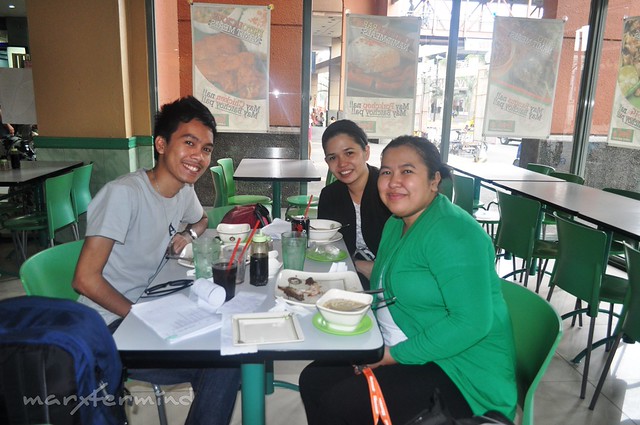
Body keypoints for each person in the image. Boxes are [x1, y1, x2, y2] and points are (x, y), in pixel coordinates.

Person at [300, 136, 517, 425]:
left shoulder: (455, 233)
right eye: (387, 172)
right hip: (403, 343)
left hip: (460, 371)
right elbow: (387, 278)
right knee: (313, 379)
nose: (393, 182)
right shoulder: (396, 223)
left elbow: (471, 324)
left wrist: (390, 355)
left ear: (434, 180)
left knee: (340, 403)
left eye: (407, 171)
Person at [73, 96, 240, 425]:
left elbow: (201, 220)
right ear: (161, 144)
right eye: (189, 143)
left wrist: (187, 235)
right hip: (108, 326)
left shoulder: (182, 189)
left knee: (227, 353)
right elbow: (84, 279)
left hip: (149, 304)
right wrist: (138, 316)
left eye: (206, 148)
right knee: (223, 363)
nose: (199, 156)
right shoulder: (124, 194)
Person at [317, 119, 391, 289]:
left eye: (349, 153)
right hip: (347, 274)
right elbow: (326, 246)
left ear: (366, 152)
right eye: (333, 157)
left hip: (392, 278)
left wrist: (375, 268)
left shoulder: (389, 190)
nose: (342, 163)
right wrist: (357, 264)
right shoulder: (330, 195)